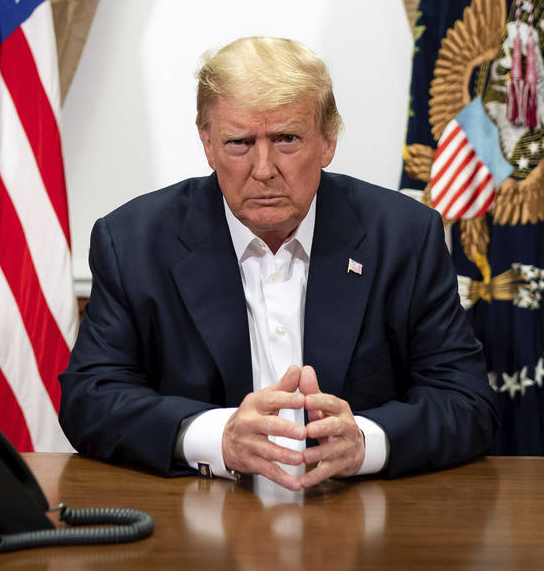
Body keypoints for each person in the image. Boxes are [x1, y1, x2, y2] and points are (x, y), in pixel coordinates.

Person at [59, 37, 498, 490]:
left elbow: (465, 402)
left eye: (287, 139)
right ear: (207, 144)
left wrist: (364, 442)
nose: (264, 168)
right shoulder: (134, 242)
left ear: (328, 141)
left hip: (357, 524)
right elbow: (90, 400)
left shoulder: (404, 237)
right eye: (239, 142)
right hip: (202, 525)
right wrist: (216, 437)